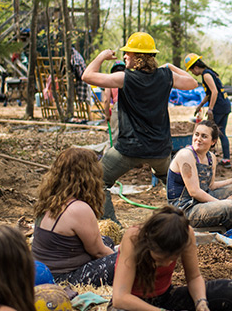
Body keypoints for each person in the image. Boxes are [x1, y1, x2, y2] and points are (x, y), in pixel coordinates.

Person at [82, 32, 199, 223]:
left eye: (128, 53)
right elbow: (193, 82)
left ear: (138, 57)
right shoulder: (166, 76)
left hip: (129, 149)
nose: (125, 56)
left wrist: (102, 56)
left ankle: (111, 226)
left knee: (96, 182)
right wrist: (170, 66)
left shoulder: (125, 78)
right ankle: (188, 221)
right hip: (160, 151)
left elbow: (87, 76)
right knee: (176, 185)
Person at [107, 206, 232, 311]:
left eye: (172, 259)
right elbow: (120, 298)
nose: (168, 264)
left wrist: (201, 302)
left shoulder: (185, 234)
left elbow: (194, 277)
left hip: (165, 297)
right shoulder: (134, 237)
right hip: (135, 306)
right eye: (160, 259)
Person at [32, 147, 117, 287]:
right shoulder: (78, 209)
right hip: (64, 278)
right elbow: (98, 251)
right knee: (128, 259)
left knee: (106, 240)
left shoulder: (51, 199)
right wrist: (118, 256)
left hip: (45, 271)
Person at [166, 120, 232, 231]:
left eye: (204, 136)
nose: (198, 139)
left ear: (213, 141)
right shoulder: (186, 155)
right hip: (184, 209)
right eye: (196, 134)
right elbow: (194, 192)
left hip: (201, 202)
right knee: (229, 206)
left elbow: (210, 186)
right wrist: (222, 202)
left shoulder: (211, 157)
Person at [183, 53, 232, 168]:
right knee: (221, 132)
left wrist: (210, 109)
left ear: (195, 67)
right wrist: (200, 105)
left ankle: (209, 158)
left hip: (219, 107)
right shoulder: (209, 73)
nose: (193, 74)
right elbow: (209, 94)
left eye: (191, 71)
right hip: (225, 105)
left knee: (209, 132)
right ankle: (226, 159)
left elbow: (214, 92)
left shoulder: (206, 75)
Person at [100, 60, 126, 145]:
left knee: (115, 135)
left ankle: (112, 153)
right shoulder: (129, 78)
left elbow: (106, 100)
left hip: (118, 106)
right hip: (130, 106)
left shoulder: (111, 80)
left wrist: (107, 115)